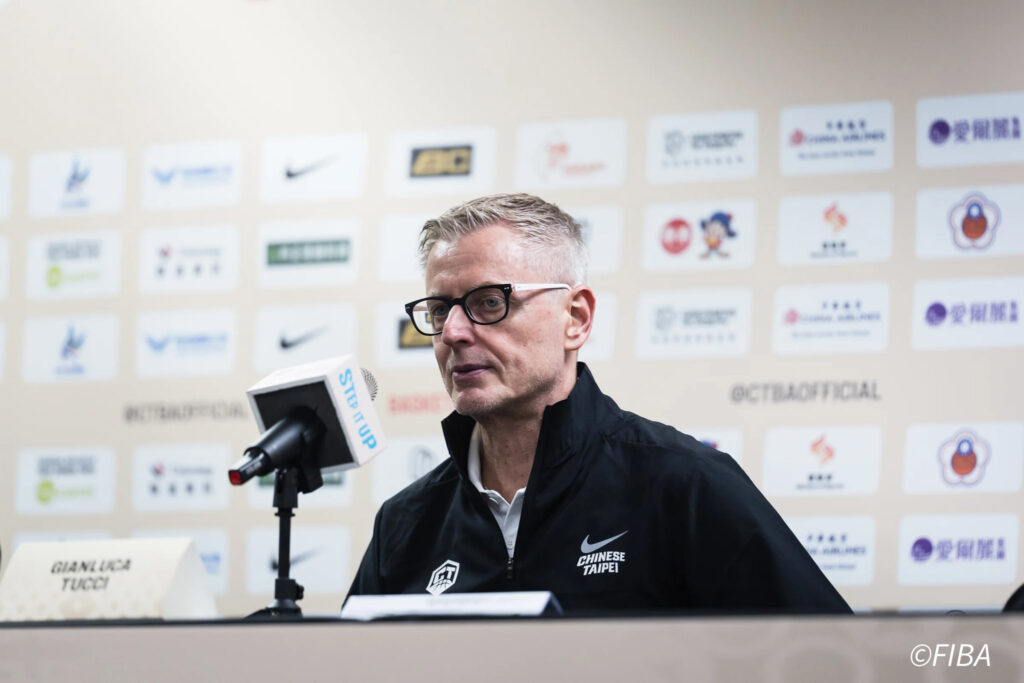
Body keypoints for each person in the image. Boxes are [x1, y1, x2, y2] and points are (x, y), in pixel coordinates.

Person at [348, 193, 851, 613]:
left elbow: (827, 658)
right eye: (440, 310)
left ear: (576, 318)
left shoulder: (686, 485)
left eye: (489, 302)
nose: (453, 333)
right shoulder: (406, 523)